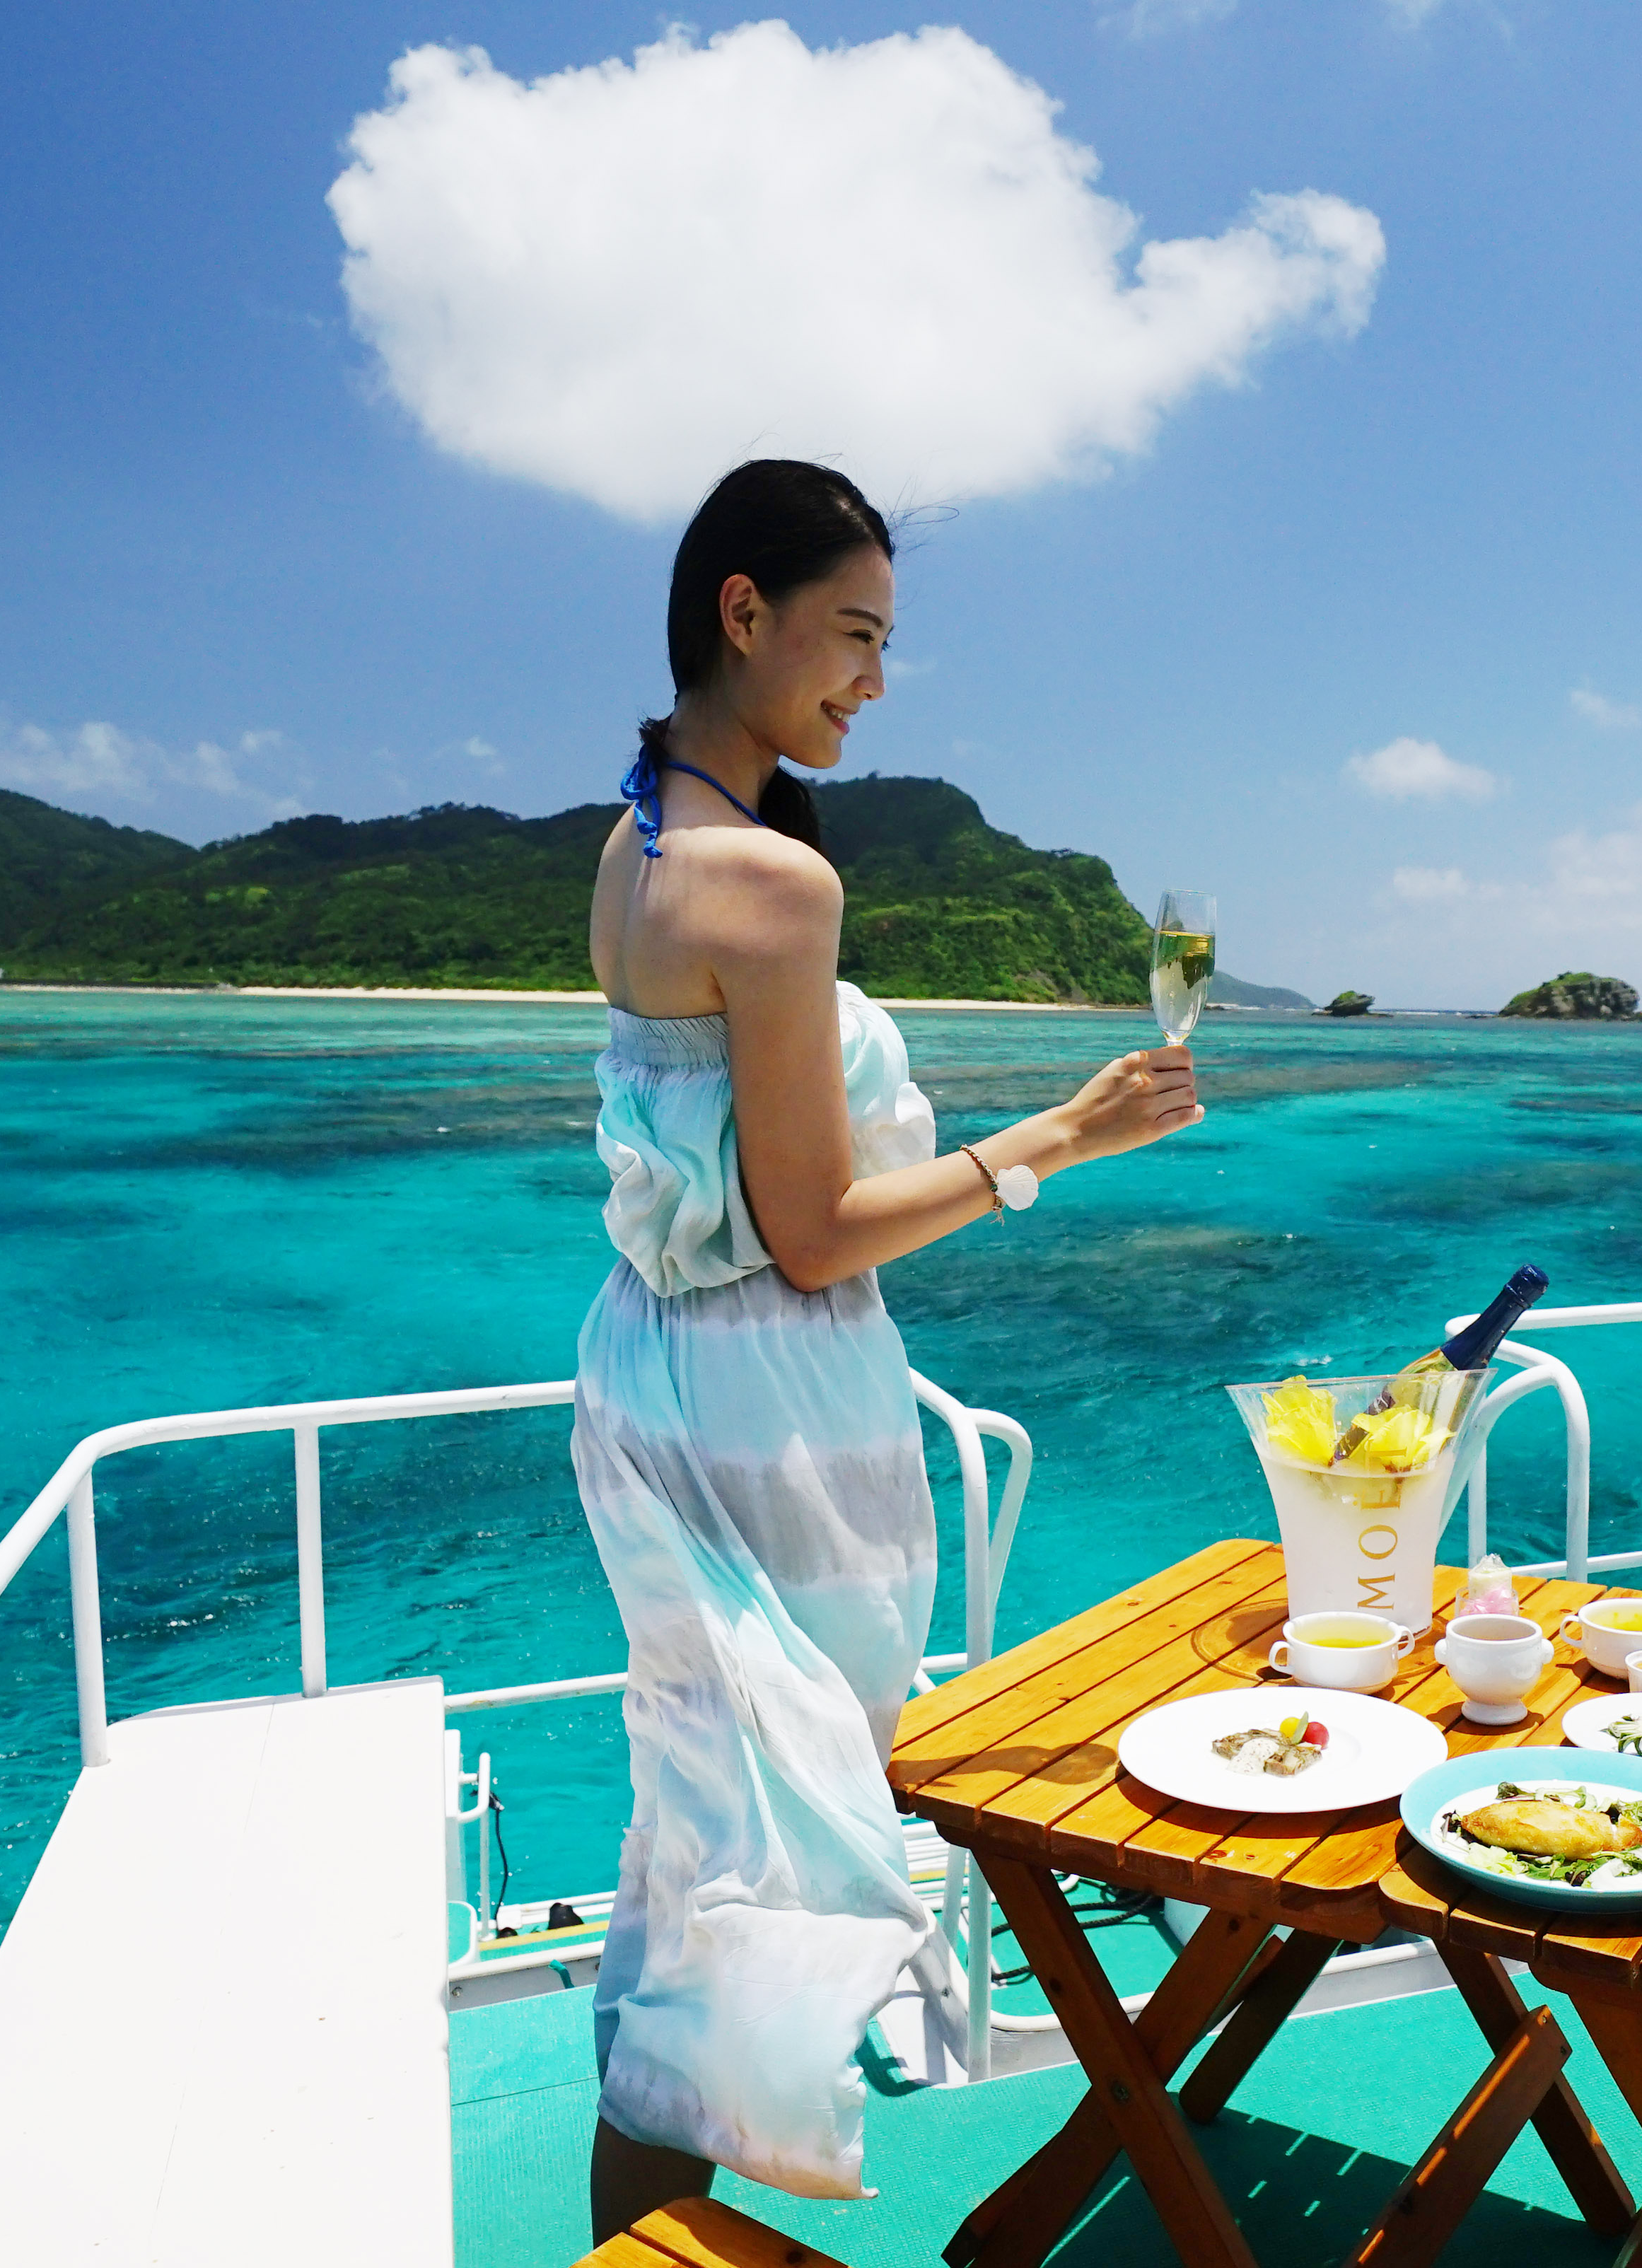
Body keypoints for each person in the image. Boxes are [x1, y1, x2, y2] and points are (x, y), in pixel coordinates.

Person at [571, 460, 1203, 2237]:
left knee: (699, 1851)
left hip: (661, 1379)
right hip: (766, 1416)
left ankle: (643, 2226)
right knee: (747, 1882)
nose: (873, 680)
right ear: (743, 610)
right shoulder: (773, 882)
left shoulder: (637, 837)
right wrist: (1059, 1138)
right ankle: (669, 2221)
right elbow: (816, 1229)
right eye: (853, 634)